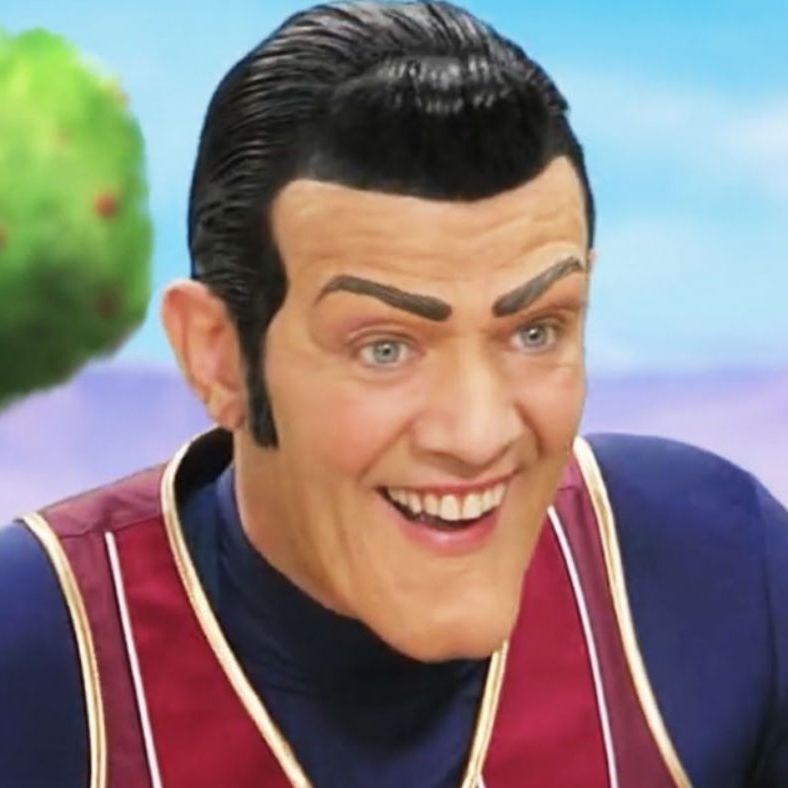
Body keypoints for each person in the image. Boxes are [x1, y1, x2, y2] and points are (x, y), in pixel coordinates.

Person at [1, 2, 786, 786]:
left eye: (536, 330)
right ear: (220, 357)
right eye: (386, 348)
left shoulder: (707, 576)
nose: (476, 434)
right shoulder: (38, 652)